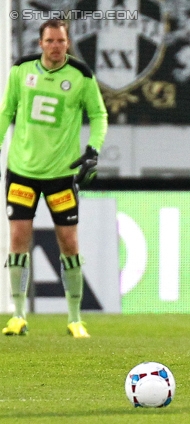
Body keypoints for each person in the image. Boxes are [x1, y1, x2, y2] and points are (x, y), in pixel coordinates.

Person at [0, 19, 107, 338]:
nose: (56, 46)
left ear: (68, 43)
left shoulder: (81, 76)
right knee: (19, 238)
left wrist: (93, 150)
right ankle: (18, 314)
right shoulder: (21, 70)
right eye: (50, 41)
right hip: (22, 171)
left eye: (61, 40)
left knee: (69, 243)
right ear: (41, 43)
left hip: (61, 174)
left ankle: (75, 318)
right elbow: (7, 112)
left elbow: (99, 115)